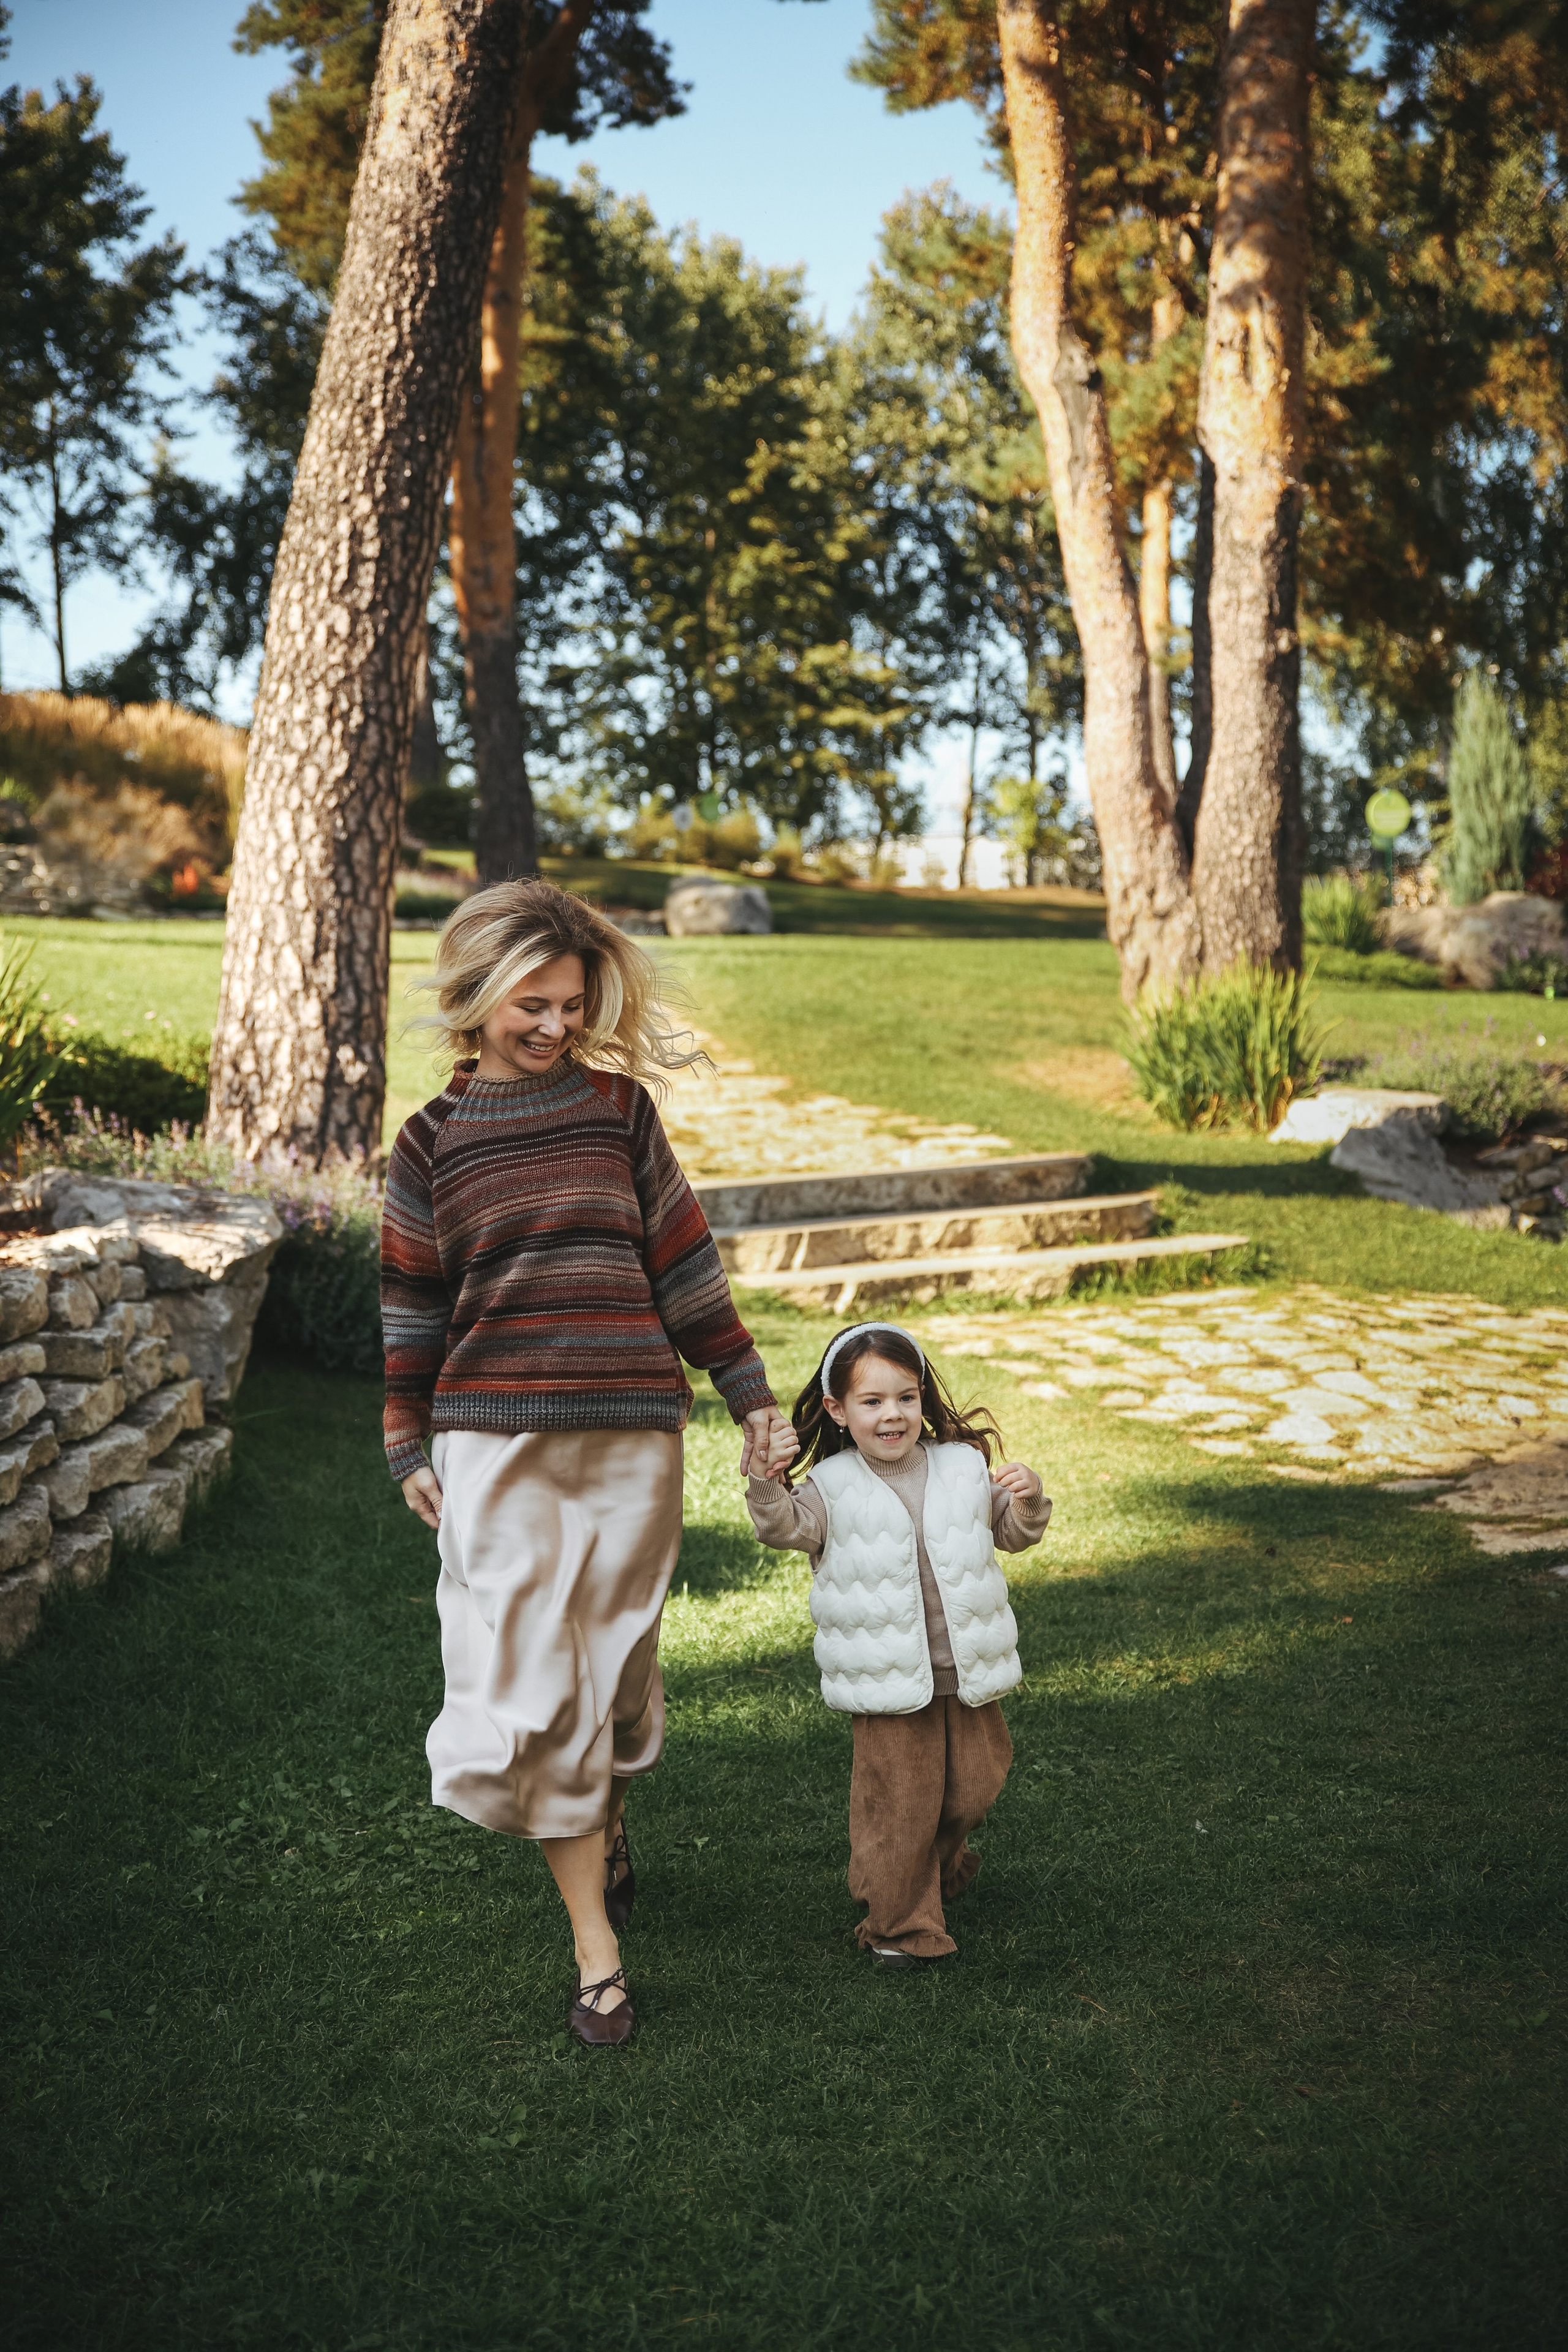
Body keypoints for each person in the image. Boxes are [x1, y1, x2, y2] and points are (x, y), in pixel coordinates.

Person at [381, 878, 792, 2047]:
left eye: (571, 1004)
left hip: (630, 1436)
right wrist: (406, 1438)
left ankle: (601, 1814)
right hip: (492, 1445)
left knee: (609, 1678)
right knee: (531, 1687)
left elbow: (686, 1267)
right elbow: (411, 1303)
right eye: (532, 1004)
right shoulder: (430, 1144)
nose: (556, 1026)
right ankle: (596, 1952)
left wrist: (748, 1393)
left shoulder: (619, 1113)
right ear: (474, 994)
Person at [745, 1321, 1050, 1966]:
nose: (893, 1415)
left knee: (974, 1786)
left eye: (906, 1398)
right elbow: (782, 1528)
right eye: (873, 1402)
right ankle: (900, 1926)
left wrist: (1028, 1501)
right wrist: (767, 1482)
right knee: (901, 1808)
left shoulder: (962, 1466)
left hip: (966, 1669)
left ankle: (922, 1872)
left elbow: (1010, 1534)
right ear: (837, 1409)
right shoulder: (831, 1486)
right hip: (885, 1680)